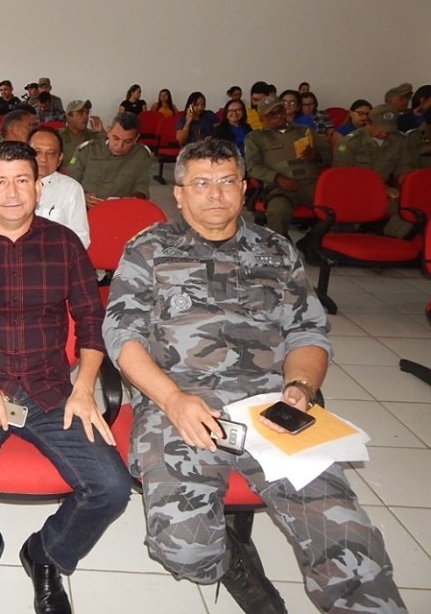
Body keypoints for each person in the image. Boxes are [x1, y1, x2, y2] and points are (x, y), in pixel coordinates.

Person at [103, 137, 408, 614]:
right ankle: (232, 560)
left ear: (244, 189)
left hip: (271, 405)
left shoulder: (276, 250)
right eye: (201, 183)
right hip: (180, 403)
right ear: (179, 193)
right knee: (185, 550)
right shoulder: (149, 249)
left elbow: (308, 332)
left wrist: (300, 389)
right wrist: (172, 400)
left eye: (227, 181)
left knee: (350, 543)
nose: (215, 193)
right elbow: (123, 336)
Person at [0, 140, 131, 614]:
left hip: (49, 388)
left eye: (22, 181)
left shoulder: (64, 244)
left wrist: (84, 387)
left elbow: (91, 321)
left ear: (38, 187)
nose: (12, 193)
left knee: (112, 489)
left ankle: (46, 554)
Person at [244, 96, 330, 238]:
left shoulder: (304, 131)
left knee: (338, 206)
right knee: (278, 211)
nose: (278, 116)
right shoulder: (255, 138)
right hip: (280, 188)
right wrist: (278, 178)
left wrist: (315, 156)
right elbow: (253, 167)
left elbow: (328, 154)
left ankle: (317, 242)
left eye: (281, 111)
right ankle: (281, 245)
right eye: (272, 114)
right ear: (262, 118)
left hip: (312, 185)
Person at [334, 103, 414, 237]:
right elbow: (342, 178)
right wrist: (381, 189)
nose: (384, 134)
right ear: (368, 123)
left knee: (410, 209)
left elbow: (403, 168)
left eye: (389, 130)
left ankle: (389, 239)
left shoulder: (399, 141)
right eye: (380, 129)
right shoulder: (350, 143)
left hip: (385, 193)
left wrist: (406, 188)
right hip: (354, 192)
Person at [67, 111, 151, 205]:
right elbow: (70, 183)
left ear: (136, 138)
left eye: (127, 141)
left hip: (120, 208)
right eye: (116, 138)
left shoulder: (141, 155)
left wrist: (135, 198)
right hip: (83, 208)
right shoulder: (87, 150)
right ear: (108, 131)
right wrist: (83, 196)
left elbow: (142, 187)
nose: (119, 146)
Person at [29, 126, 90, 248]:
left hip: (54, 256)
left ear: (60, 159)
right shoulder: (10, 184)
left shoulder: (71, 189)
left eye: (51, 153)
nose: (43, 159)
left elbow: (80, 239)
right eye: (37, 152)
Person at [57, 100, 103, 169]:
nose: (85, 116)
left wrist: (101, 132)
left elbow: (108, 153)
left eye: (87, 113)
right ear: (69, 117)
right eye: (80, 113)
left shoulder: (93, 136)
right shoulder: (58, 137)